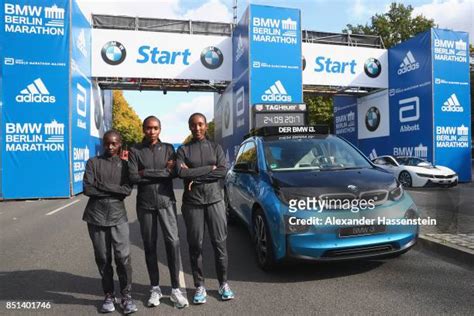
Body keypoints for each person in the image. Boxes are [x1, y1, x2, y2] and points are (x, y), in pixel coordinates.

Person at [128, 116, 189, 309]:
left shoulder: (169, 149)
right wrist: (156, 173)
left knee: (173, 243)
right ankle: (155, 289)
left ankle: (175, 290)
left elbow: (173, 174)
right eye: (148, 128)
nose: (151, 131)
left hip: (166, 202)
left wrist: (145, 172)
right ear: (143, 129)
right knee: (150, 246)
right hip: (145, 205)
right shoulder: (135, 150)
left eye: (155, 128)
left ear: (160, 129)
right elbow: (132, 177)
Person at [176, 113, 235, 304]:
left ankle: (223, 284)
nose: (197, 128)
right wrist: (209, 169)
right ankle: (199, 286)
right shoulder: (183, 150)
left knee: (220, 245)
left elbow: (222, 170)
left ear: (206, 125)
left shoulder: (216, 147)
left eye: (200, 124)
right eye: (193, 125)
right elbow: (180, 173)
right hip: (192, 204)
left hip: (215, 201)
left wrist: (195, 177)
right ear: (189, 127)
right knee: (195, 247)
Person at [82, 130, 137, 314]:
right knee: (103, 258)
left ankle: (126, 296)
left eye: (114, 143)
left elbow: (126, 191)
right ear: (103, 143)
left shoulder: (125, 165)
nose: (110, 147)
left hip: (118, 216)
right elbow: (88, 189)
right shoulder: (93, 162)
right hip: (95, 216)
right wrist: (114, 190)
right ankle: (109, 294)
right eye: (107, 143)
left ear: (120, 144)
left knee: (123, 258)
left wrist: (101, 185)